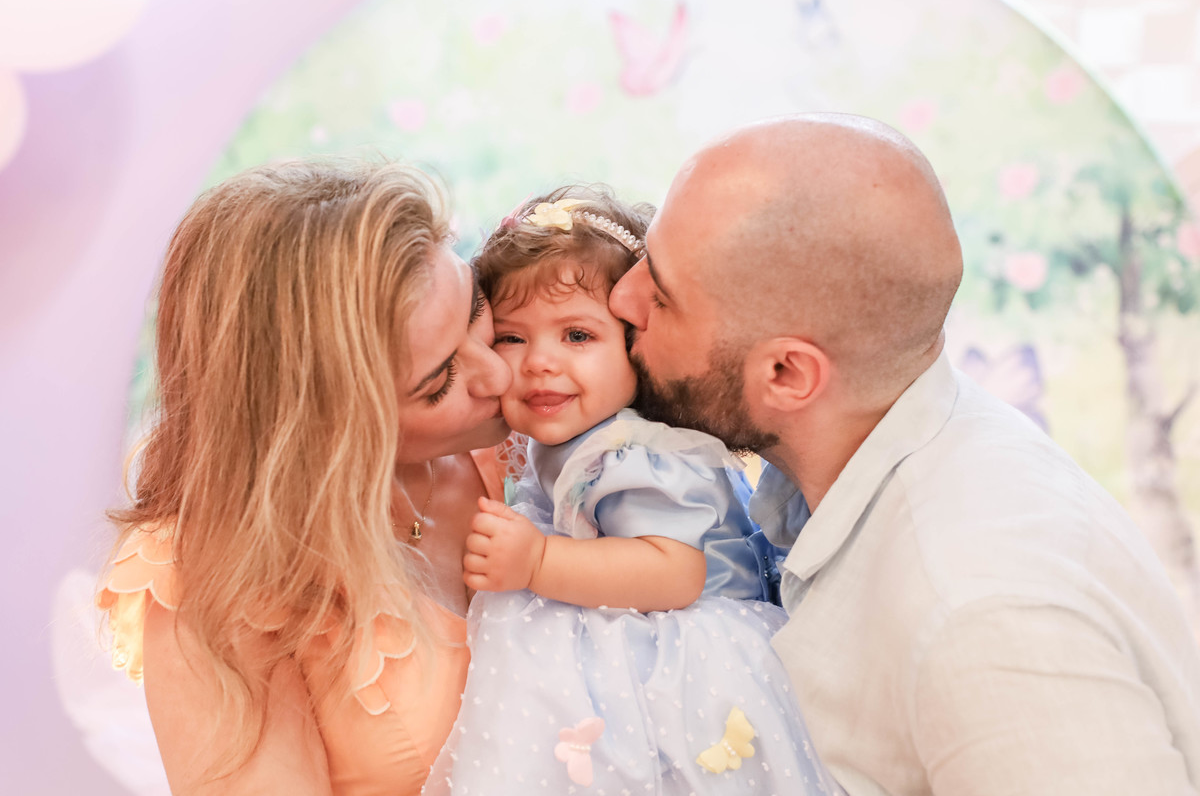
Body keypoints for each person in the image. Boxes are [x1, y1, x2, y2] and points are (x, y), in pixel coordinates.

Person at [608, 112, 1200, 795]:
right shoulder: (896, 441)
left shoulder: (980, 617)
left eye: (662, 296)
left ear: (788, 375)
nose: (622, 297)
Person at [97, 159, 514, 795]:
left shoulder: (532, 437)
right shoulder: (216, 582)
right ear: (320, 426)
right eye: (438, 383)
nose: (500, 375)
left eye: (475, 307)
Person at [425, 187, 842, 795]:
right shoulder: (569, 432)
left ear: (635, 347)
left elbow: (674, 572)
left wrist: (537, 560)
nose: (539, 362)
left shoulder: (636, 454)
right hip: (634, 628)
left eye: (576, 336)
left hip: (694, 654)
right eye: (512, 338)